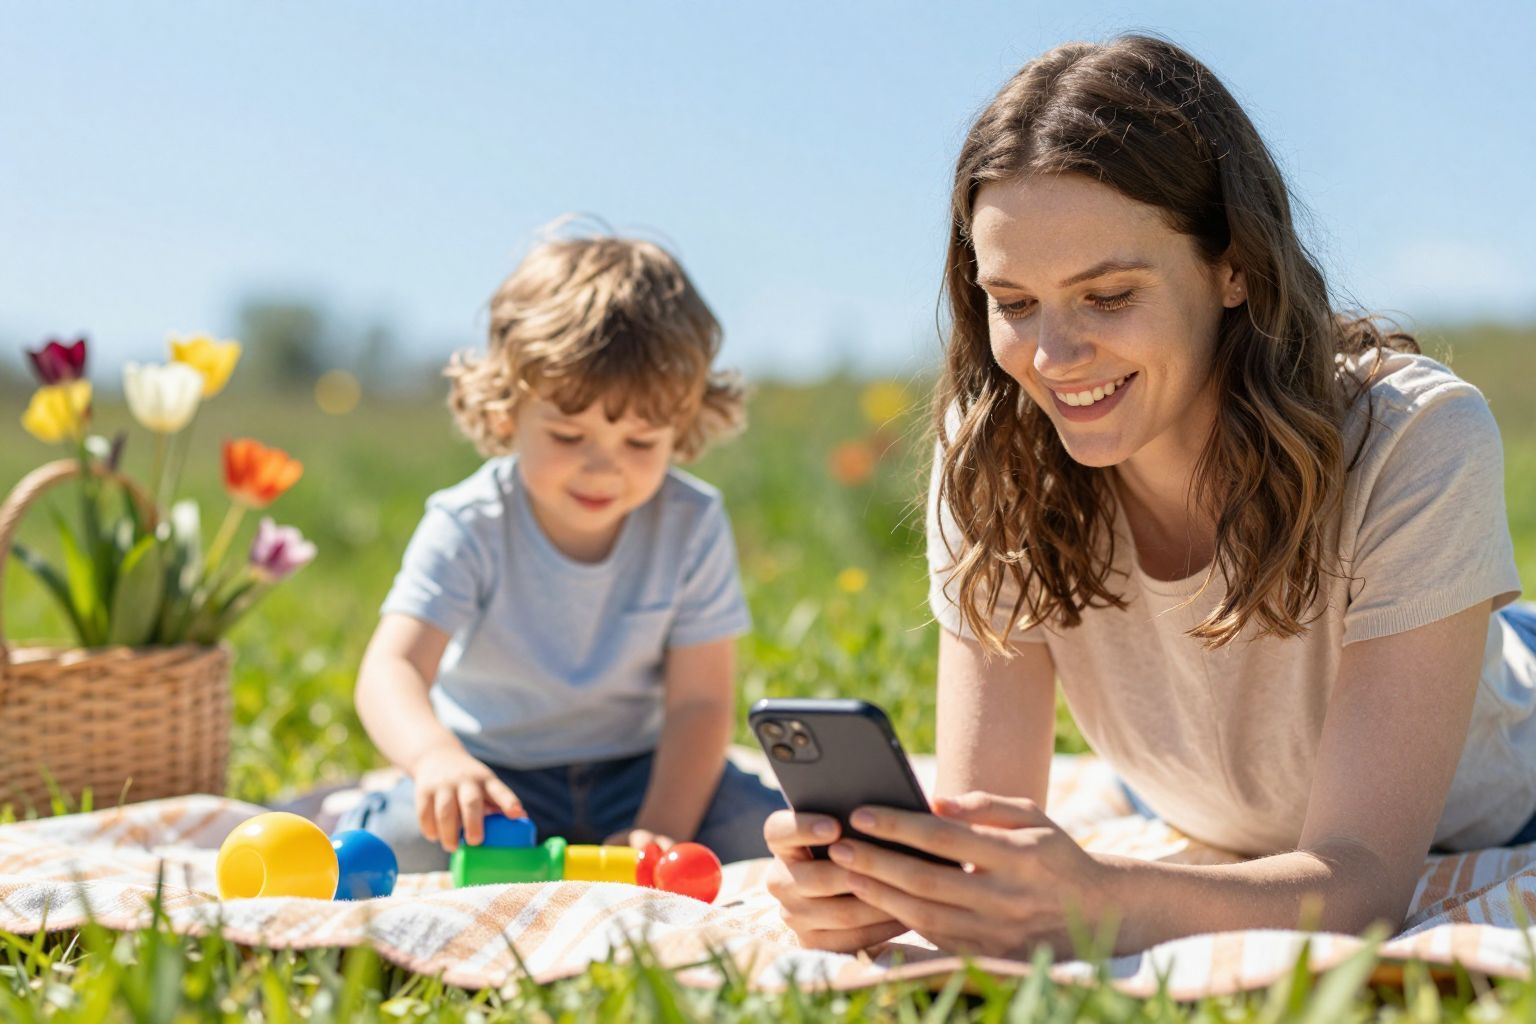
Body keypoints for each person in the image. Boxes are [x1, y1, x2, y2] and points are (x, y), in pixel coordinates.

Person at [764, 34, 1534, 958]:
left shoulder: (1413, 439)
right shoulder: (995, 462)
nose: (1051, 359)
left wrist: (1096, 899)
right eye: (1013, 303)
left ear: (1234, 265)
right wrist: (895, 886)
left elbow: (1362, 882)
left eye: (1109, 295)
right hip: (1215, 786)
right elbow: (989, 824)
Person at [341, 227, 785, 871]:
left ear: (681, 427)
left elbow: (700, 704)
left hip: (641, 771)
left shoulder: (691, 523)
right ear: (505, 416)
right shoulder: (470, 523)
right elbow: (392, 671)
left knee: (767, 836)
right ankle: (362, 808)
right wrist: (436, 758)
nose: (603, 469)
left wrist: (658, 827)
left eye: (640, 443)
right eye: (569, 435)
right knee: (395, 846)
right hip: (491, 773)